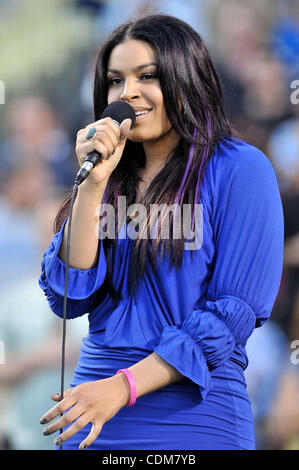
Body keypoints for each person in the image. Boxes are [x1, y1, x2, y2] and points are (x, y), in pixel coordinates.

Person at [38, 14, 284, 450]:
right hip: (93, 413)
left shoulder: (240, 170)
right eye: (115, 81)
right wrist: (93, 187)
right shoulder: (106, 177)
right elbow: (69, 293)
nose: (127, 93)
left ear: (185, 77)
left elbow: (232, 315)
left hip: (194, 413)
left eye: (147, 76)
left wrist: (123, 387)